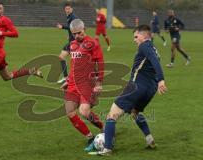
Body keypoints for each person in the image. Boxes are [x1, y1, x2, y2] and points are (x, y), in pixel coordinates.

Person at [91, 25, 167, 155]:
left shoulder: (144, 46)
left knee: (112, 115)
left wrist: (161, 80)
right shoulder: (154, 48)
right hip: (150, 89)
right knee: (134, 112)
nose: (134, 40)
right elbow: (153, 63)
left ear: (144, 36)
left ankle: (107, 148)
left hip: (137, 86)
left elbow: (155, 62)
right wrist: (158, 82)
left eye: (136, 36)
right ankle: (150, 140)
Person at [61, 19, 104, 150]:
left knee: (84, 112)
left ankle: (105, 128)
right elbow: (74, 66)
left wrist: (99, 83)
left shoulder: (93, 43)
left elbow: (99, 63)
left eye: (79, 33)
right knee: (70, 112)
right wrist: (67, 81)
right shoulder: (72, 45)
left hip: (87, 83)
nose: (77, 36)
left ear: (84, 29)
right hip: (73, 84)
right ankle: (90, 137)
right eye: (74, 34)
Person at [56, 3, 77, 84]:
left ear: (71, 9)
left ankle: (93, 74)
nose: (67, 10)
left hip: (75, 43)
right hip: (71, 41)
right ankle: (66, 77)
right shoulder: (69, 17)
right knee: (61, 57)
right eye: (66, 9)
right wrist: (70, 36)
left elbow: (74, 27)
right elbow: (71, 29)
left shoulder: (73, 17)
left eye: (68, 9)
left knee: (77, 61)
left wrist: (62, 27)